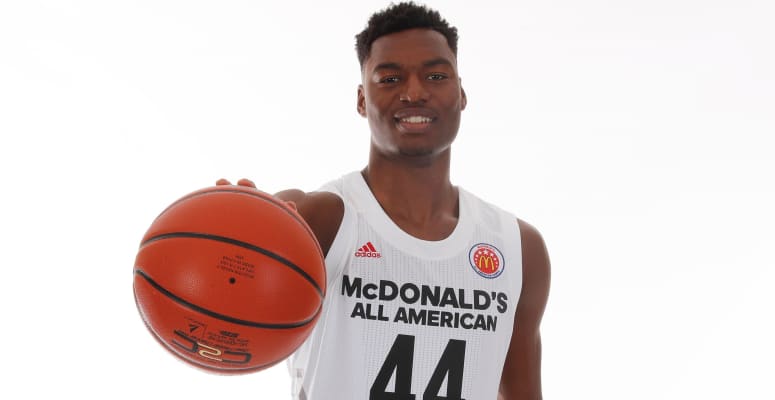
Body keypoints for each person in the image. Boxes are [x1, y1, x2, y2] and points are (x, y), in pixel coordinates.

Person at [220, 2, 550, 399]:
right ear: (362, 100)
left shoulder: (517, 248)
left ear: (461, 93)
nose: (415, 92)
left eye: (436, 75)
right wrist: (235, 235)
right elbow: (233, 282)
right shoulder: (323, 219)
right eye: (390, 78)